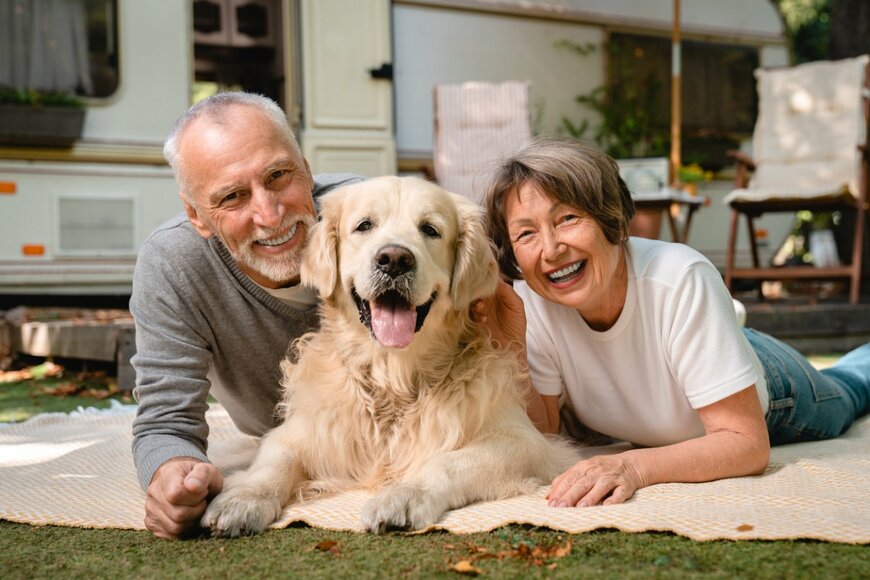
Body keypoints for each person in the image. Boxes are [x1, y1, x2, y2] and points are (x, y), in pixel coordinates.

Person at [482, 136, 870, 509]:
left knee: (852, 387)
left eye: (567, 218)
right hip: (700, 349)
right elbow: (544, 433)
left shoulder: (680, 276)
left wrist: (632, 467)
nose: (551, 249)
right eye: (526, 233)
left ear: (609, 217)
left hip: (773, 382)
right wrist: (512, 345)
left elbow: (745, 442)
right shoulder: (533, 299)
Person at [130, 92, 362, 539]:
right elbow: (165, 422)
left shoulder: (370, 218)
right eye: (232, 197)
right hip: (280, 442)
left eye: (278, 175)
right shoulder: (174, 263)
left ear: (307, 170)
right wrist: (175, 473)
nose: (269, 213)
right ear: (196, 215)